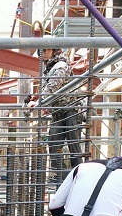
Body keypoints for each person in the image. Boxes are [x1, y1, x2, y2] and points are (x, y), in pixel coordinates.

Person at [27, 42, 83, 182]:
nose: (44, 52)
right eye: (42, 50)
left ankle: (80, 179)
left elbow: (54, 85)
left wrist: (39, 102)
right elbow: (49, 87)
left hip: (71, 109)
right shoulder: (50, 68)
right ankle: (65, 179)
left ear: (53, 51)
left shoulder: (60, 65)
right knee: (53, 146)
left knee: (73, 146)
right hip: (58, 112)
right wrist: (36, 98)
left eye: (47, 49)